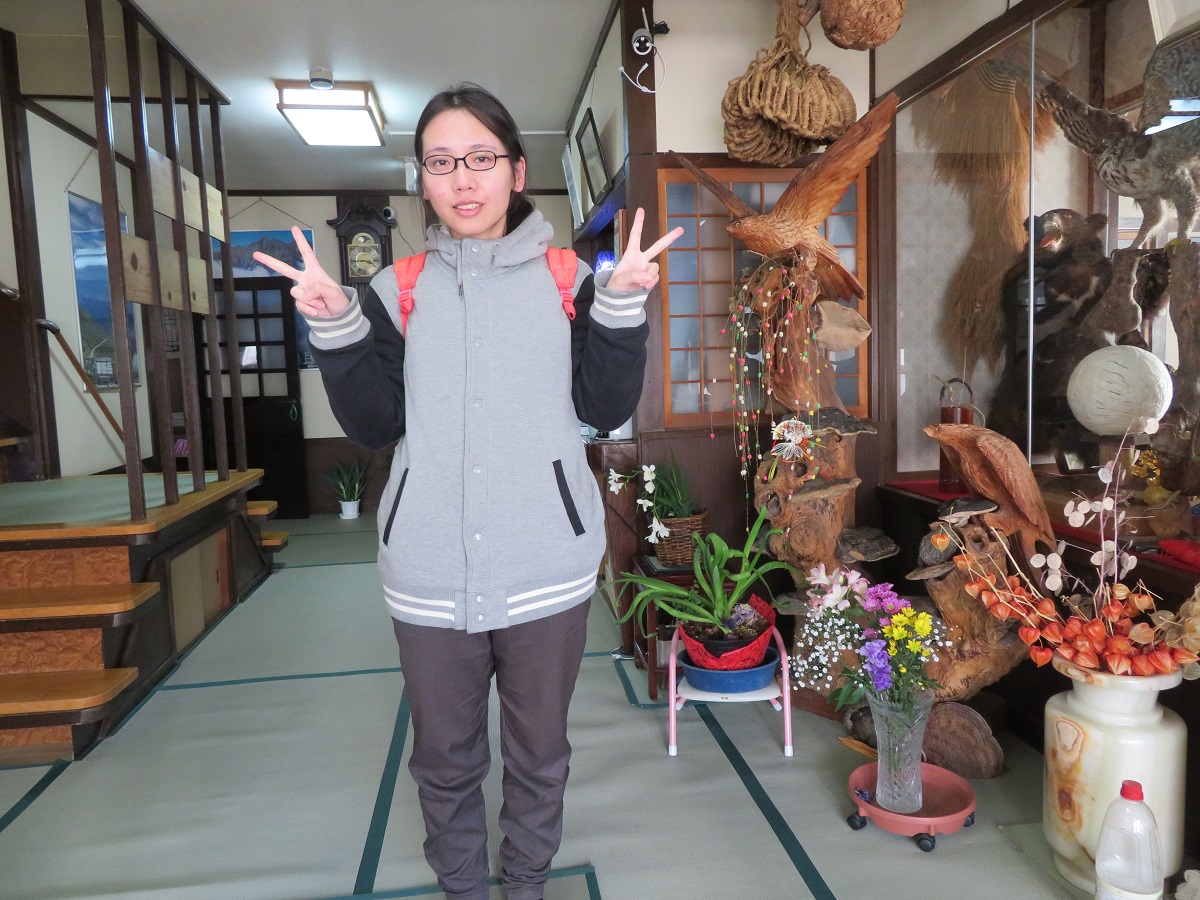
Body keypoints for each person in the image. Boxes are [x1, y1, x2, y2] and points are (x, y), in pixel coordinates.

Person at [253, 82, 682, 900]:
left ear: (516, 171)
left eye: (481, 157)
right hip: (427, 572)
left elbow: (604, 407)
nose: (463, 178)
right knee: (443, 759)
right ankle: (462, 887)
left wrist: (622, 306)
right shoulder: (395, 290)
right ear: (422, 179)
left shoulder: (570, 280)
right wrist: (337, 326)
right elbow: (376, 426)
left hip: (546, 566)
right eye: (441, 161)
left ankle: (525, 884)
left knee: (539, 753)